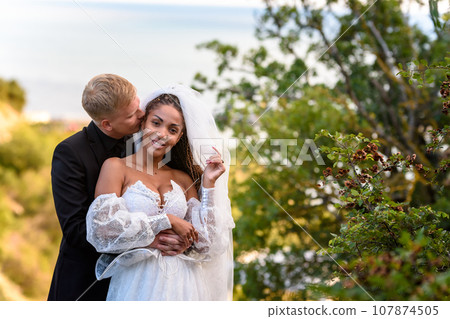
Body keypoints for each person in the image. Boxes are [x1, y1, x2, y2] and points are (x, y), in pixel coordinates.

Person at [86, 85, 235, 300]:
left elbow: (208, 244)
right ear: (142, 122)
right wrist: (167, 220)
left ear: (179, 136)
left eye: (172, 129)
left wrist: (209, 184)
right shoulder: (115, 167)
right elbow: (102, 232)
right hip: (137, 284)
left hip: (185, 286)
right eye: (156, 123)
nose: (162, 134)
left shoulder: (183, 178)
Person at [48, 74, 189, 301]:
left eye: (138, 104)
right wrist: (145, 239)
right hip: (88, 278)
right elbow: (75, 230)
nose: (142, 114)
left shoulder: (144, 137)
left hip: (148, 282)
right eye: (133, 114)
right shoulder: (70, 153)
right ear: (107, 124)